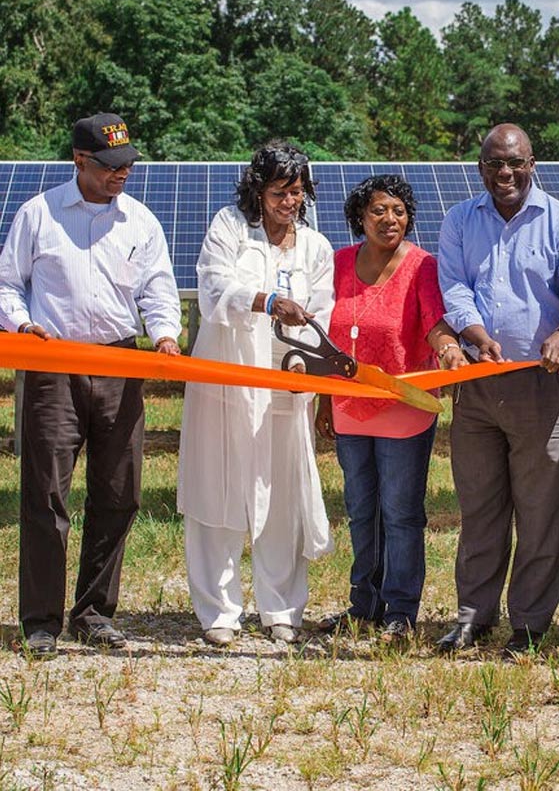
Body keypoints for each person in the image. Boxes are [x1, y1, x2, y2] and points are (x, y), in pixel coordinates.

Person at [0, 112, 182, 659]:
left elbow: (158, 289)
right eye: (109, 166)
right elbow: (7, 285)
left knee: (119, 491)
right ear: (80, 161)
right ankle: (40, 621)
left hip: (121, 364)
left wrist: (167, 335)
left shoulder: (141, 222)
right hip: (51, 364)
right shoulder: (39, 214)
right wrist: (22, 324)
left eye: (127, 164)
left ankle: (95, 613)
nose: (121, 174)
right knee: (46, 492)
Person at [435, 123, 559, 656]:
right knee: (480, 507)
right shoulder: (460, 220)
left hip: (543, 384)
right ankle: (472, 616)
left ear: (533, 164)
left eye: (514, 163)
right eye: (492, 164)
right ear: (480, 167)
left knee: (541, 510)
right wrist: (474, 332)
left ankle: (529, 623)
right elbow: (454, 285)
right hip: (478, 385)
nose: (504, 173)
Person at [177, 141, 333, 647]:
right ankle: (219, 611)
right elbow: (213, 285)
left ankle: (281, 607)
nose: (290, 201)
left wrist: (300, 363)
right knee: (217, 489)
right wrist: (267, 301)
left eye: (298, 190)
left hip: (285, 385)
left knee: (283, 493)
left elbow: (322, 315)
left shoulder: (315, 248)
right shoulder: (228, 227)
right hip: (226, 379)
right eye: (279, 191)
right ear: (258, 191)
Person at [315, 174, 466, 644]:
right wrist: (324, 399)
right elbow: (325, 338)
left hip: (404, 404)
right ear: (360, 217)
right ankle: (364, 604)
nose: (390, 219)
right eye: (379, 210)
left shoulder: (422, 266)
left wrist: (449, 351)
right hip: (349, 406)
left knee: (400, 512)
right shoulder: (338, 263)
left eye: (399, 211)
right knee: (361, 510)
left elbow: (435, 323)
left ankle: (400, 610)